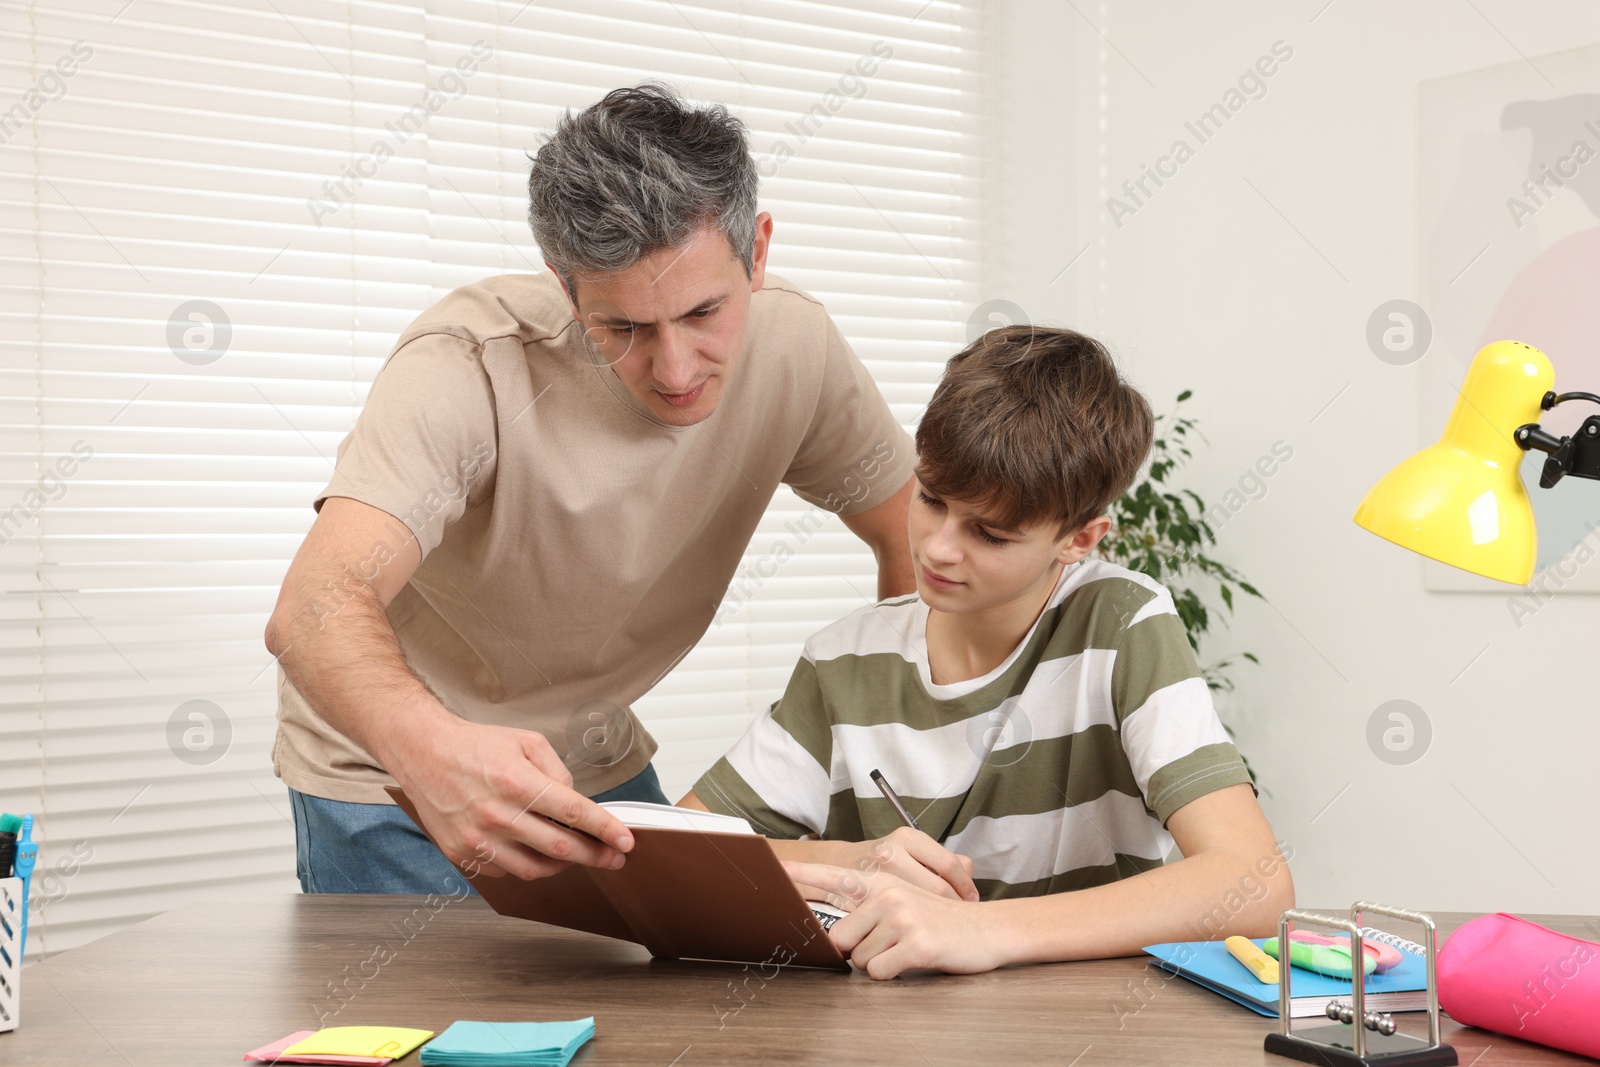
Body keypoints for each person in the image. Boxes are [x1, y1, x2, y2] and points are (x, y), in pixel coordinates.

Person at [265, 84, 917, 894]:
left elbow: (914, 534)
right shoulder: (468, 364)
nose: (677, 371)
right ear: (565, 285)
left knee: (664, 997)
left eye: (705, 312)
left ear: (758, 249)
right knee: (445, 1022)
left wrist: (908, 775)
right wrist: (433, 753)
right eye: (625, 329)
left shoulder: (797, 348)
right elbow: (314, 605)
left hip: (588, 754)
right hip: (394, 771)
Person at [682, 325, 1294, 978]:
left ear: (1079, 539)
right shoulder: (842, 659)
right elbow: (678, 855)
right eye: (931, 499)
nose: (939, 547)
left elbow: (1253, 883)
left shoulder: (1121, 623)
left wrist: (980, 930)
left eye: (990, 533)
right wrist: (846, 862)